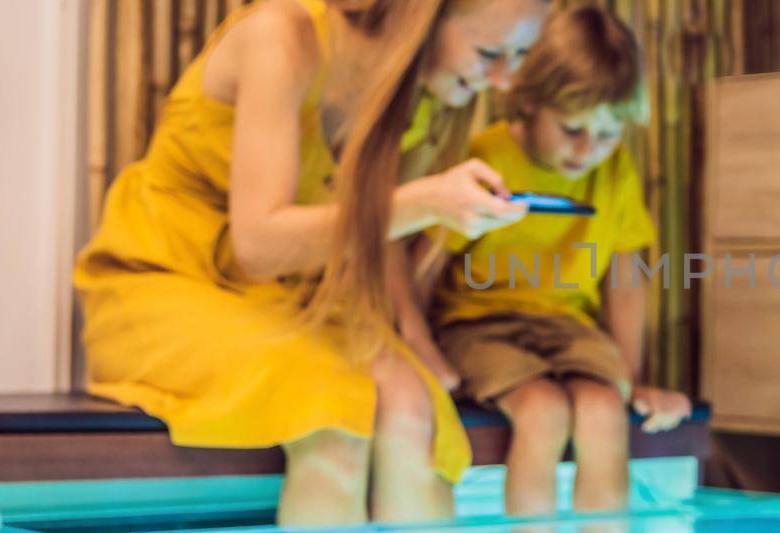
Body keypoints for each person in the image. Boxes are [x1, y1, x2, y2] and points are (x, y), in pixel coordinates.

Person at [73, 0, 546, 525]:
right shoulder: (281, 38)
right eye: (489, 53)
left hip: (300, 299)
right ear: (420, 18)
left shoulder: (422, 93)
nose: (503, 81)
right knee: (336, 419)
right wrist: (425, 202)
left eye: (521, 55)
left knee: (415, 411)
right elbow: (261, 246)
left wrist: (416, 340)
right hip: (172, 281)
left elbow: (379, 230)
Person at [414, 5, 692, 517]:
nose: (588, 150)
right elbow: (427, 263)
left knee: (604, 409)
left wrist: (629, 378)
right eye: (571, 129)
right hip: (478, 325)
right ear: (531, 102)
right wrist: (421, 354)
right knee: (542, 412)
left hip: (566, 327)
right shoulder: (484, 158)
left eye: (607, 135)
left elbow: (625, 279)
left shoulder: (616, 175)